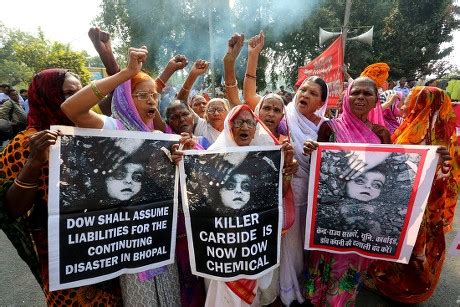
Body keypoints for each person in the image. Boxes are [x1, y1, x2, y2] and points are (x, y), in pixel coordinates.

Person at [62, 46, 206, 307]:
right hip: (127, 241)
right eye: (143, 95)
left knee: (170, 298)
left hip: (159, 237)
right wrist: (126, 73)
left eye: (154, 95)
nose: (152, 101)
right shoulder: (113, 128)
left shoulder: (160, 138)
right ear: (127, 99)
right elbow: (72, 108)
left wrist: (180, 158)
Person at [0, 68, 122, 305]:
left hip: (105, 249)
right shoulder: (26, 143)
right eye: (67, 94)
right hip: (64, 260)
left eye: (79, 93)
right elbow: (11, 210)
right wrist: (35, 162)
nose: (74, 101)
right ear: (45, 96)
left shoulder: (91, 135)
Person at [364, 86, 459, 304]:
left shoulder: (417, 135)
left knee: (403, 249)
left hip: (408, 208)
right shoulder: (441, 133)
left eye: (411, 100)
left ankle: (397, 290)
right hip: (424, 209)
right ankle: (413, 288)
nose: (404, 104)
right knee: (414, 250)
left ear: (423, 105)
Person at [302, 77, 391, 306]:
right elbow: (319, 169)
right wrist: (313, 151)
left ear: (375, 101)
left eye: (367, 94)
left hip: (362, 216)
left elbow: (390, 168)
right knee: (326, 256)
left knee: (350, 261)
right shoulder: (329, 128)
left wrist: (434, 159)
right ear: (346, 97)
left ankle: (339, 302)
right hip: (331, 215)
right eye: (355, 93)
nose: (360, 97)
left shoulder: (382, 134)